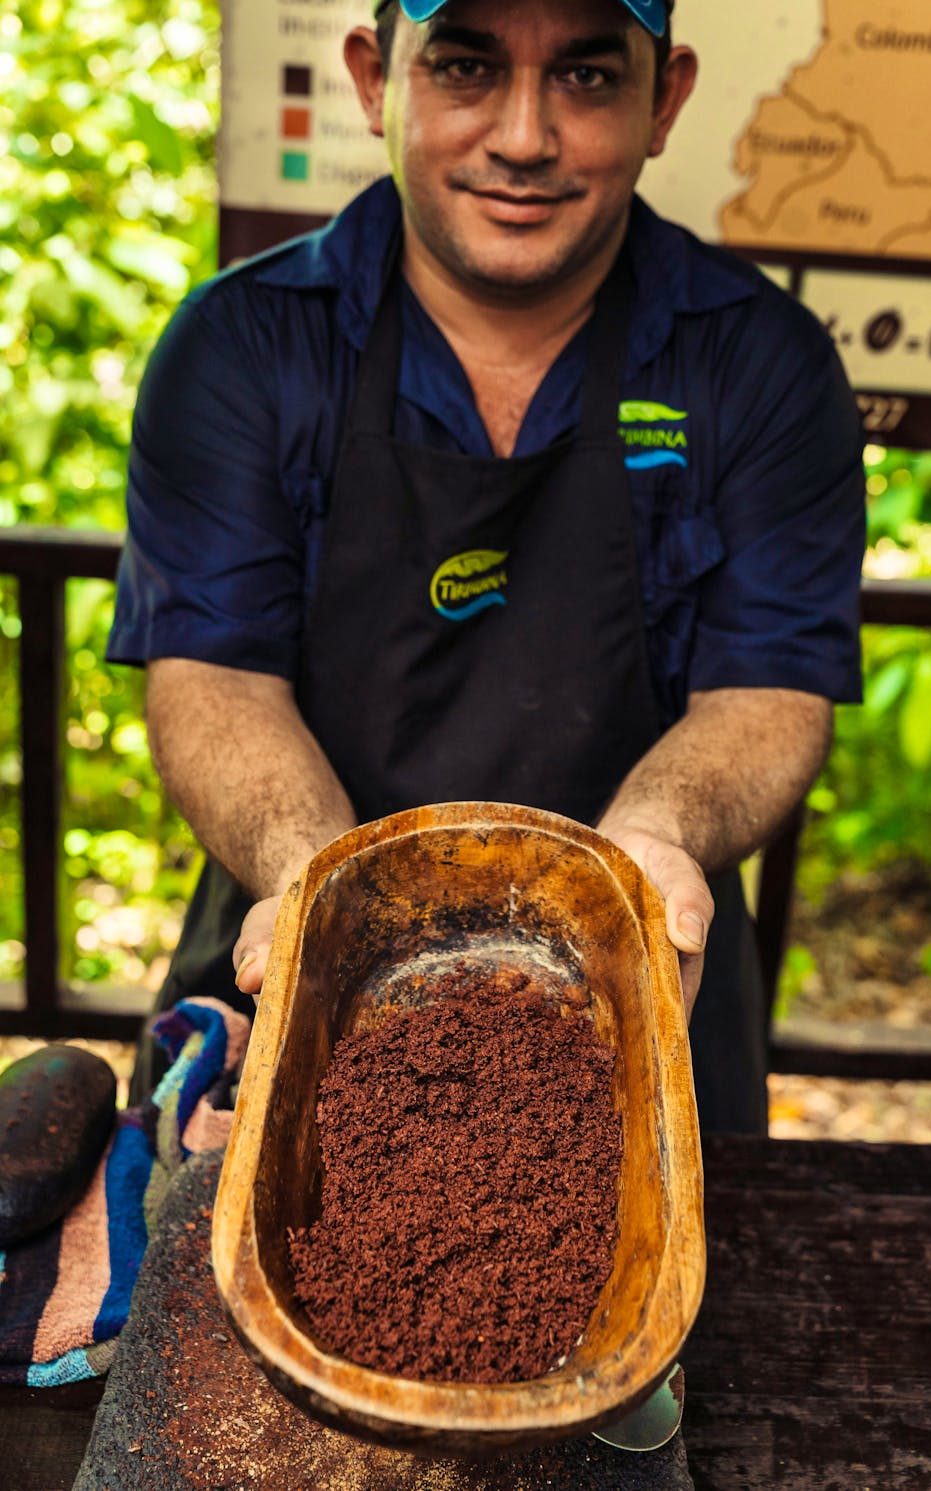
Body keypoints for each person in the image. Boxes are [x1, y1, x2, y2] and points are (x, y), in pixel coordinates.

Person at [109, 0, 865, 1131]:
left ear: (664, 99)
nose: (523, 137)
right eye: (464, 67)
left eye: (587, 78)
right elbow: (213, 677)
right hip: (297, 945)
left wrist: (638, 866)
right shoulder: (245, 346)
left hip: (647, 971)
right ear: (376, 79)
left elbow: (767, 689)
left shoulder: (761, 363)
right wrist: (322, 895)